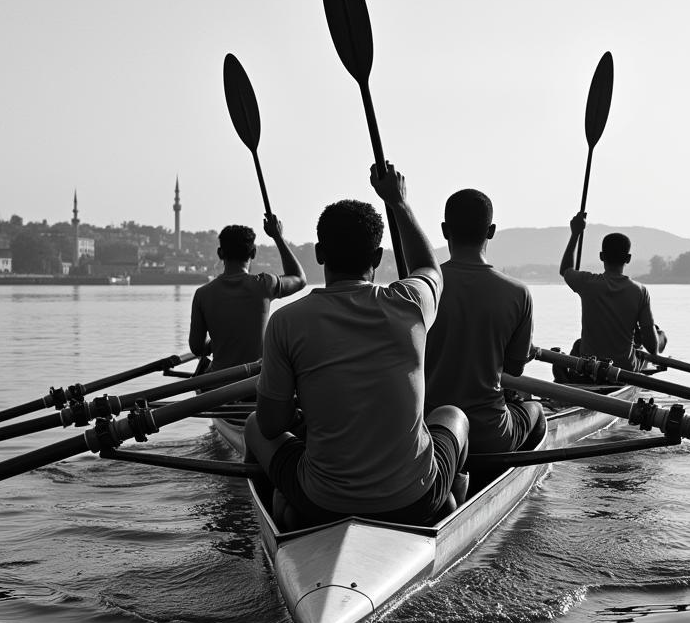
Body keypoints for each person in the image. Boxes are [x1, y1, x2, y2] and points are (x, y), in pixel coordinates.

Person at [244, 162, 469, 528]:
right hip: (414, 498)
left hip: (324, 502)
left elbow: (271, 425)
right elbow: (430, 267)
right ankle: (450, 504)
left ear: (319, 254)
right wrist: (398, 203)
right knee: (452, 416)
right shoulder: (410, 302)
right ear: (378, 257)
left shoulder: (286, 321)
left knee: (253, 424)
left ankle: (280, 513)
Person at [425, 189, 545, 454]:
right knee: (536, 411)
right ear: (490, 231)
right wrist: (526, 352)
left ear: (445, 231)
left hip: (431, 431)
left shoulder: (422, 288)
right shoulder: (518, 293)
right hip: (489, 434)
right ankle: (505, 473)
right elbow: (514, 369)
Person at [189, 214, 306, 373]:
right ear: (253, 253)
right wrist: (278, 237)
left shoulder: (202, 294)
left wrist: (217, 341)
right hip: (257, 383)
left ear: (220, 253)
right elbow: (299, 279)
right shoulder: (265, 285)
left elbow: (197, 348)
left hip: (218, 384)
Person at [559, 211, 664, 370]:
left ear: (601, 256)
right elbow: (652, 348)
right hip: (624, 368)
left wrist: (575, 233)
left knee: (578, 346)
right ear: (628, 259)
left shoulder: (587, 282)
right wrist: (650, 338)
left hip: (591, 367)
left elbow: (565, 269)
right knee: (659, 334)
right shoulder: (640, 291)